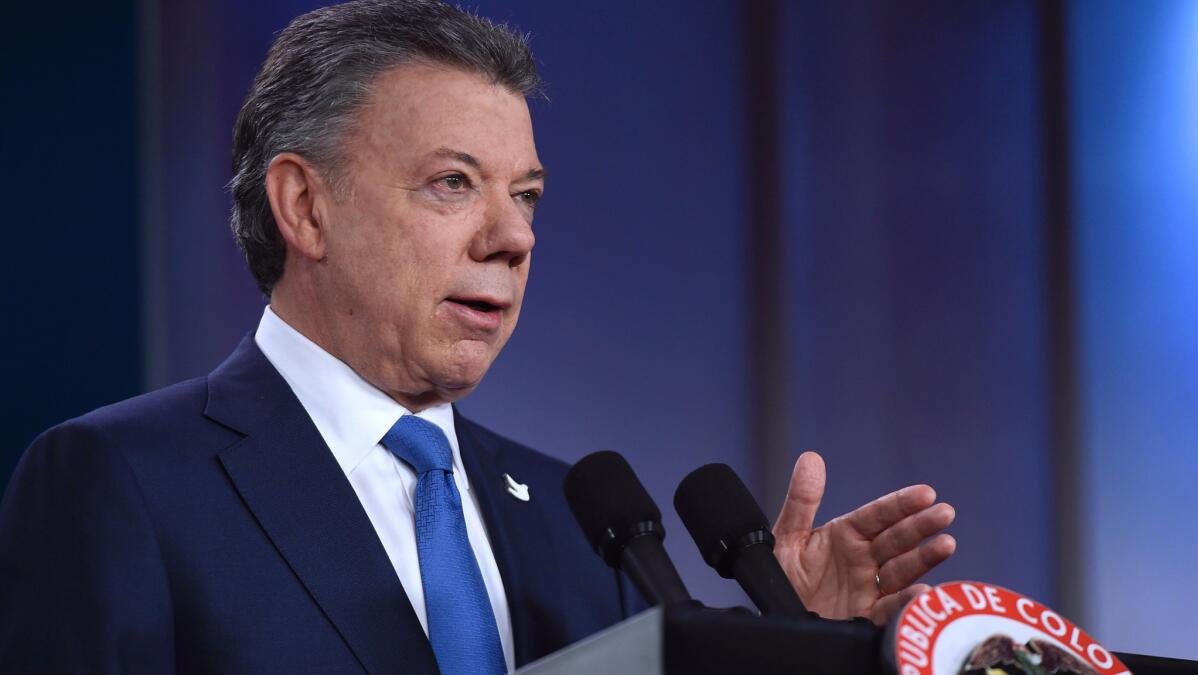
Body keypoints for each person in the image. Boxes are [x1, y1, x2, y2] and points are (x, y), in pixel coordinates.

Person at [0, 1, 956, 672]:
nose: (515, 238)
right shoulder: (119, 482)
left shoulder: (584, 525)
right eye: (453, 184)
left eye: (527, 196)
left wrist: (784, 650)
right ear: (305, 205)